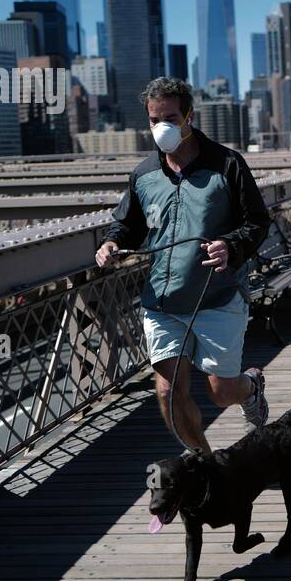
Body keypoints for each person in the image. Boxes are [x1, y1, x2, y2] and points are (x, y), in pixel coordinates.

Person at [95, 77, 272, 452]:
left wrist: (232, 246)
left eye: (171, 118)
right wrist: (112, 243)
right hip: (162, 302)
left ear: (190, 116)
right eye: (154, 120)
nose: (162, 128)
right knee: (166, 392)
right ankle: (206, 466)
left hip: (217, 296)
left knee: (222, 393)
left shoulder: (227, 165)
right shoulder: (144, 174)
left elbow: (257, 222)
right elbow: (127, 223)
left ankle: (250, 386)